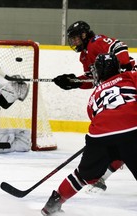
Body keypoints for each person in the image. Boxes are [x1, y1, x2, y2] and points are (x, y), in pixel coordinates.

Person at [41, 53, 137, 215]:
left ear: (97, 73)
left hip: (99, 134)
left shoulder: (94, 96)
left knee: (83, 175)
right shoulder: (130, 76)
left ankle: (53, 205)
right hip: (132, 128)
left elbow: (97, 119)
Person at [53, 20, 136, 192]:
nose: (73, 42)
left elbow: (120, 47)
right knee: (124, 139)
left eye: (75, 38)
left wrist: (122, 67)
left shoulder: (95, 42)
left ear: (84, 35)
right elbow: (94, 79)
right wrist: (74, 81)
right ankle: (102, 178)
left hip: (131, 79)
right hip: (122, 88)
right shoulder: (84, 56)